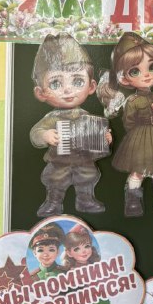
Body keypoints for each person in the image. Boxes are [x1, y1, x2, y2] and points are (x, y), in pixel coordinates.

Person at [98, 33, 153, 217]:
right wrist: (140, 127)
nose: (146, 75)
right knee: (139, 170)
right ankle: (133, 198)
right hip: (140, 137)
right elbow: (128, 122)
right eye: (135, 71)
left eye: (152, 67)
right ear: (124, 78)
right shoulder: (132, 101)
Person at [30, 34, 111, 217]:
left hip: (84, 160)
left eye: (77, 81)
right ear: (41, 93)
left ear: (91, 87)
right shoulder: (53, 117)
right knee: (56, 180)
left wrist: (106, 139)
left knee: (87, 177)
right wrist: (45, 135)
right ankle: (53, 202)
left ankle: (86, 200)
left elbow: (97, 137)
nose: (67, 89)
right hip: (59, 161)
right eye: (55, 83)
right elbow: (36, 133)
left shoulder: (87, 117)